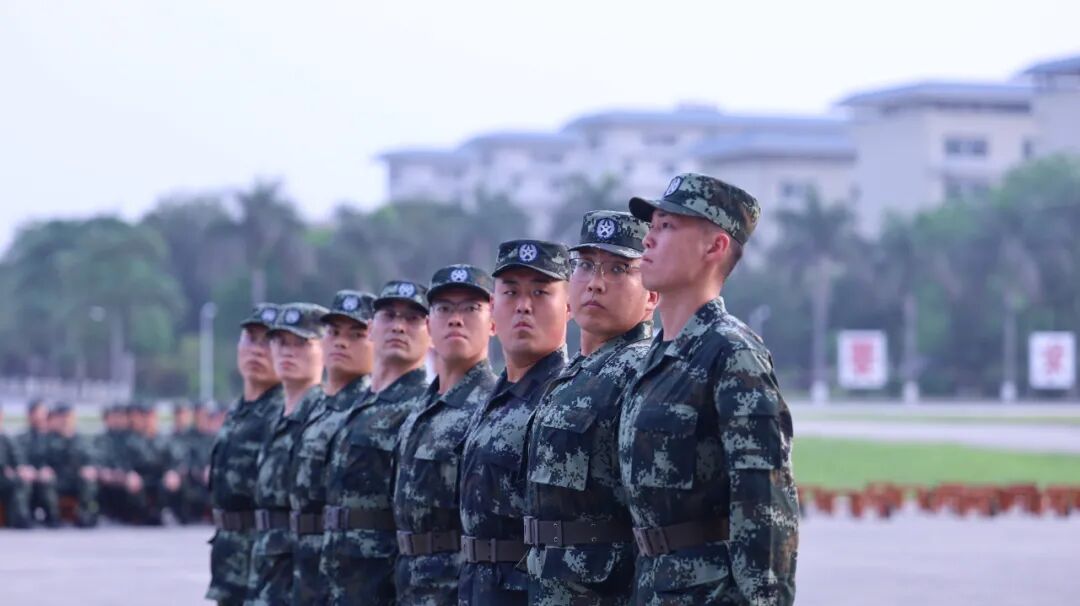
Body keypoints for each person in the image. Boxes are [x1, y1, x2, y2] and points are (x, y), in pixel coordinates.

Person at [620, 173, 799, 604]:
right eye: (651, 227)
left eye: (667, 227)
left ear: (715, 247)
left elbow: (766, 506)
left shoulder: (732, 353)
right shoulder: (654, 358)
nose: (648, 240)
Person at [523, 211, 657, 604]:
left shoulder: (643, 371)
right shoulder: (576, 372)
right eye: (585, 265)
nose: (596, 283)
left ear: (652, 294)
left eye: (618, 269)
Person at [458, 240, 571, 605]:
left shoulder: (568, 398)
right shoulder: (492, 397)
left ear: (568, 305)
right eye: (511, 293)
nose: (524, 305)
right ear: (493, 309)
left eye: (540, 292)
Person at [320, 280, 431, 606]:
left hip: (383, 584)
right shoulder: (358, 405)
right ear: (371, 328)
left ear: (431, 332)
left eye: (412, 318)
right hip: (338, 579)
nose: (399, 326)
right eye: (390, 316)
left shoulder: (422, 409)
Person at [393, 265, 498, 606]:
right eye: (444, 309)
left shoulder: (493, 406)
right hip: (408, 587)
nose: (456, 319)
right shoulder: (420, 408)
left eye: (471, 308)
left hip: (458, 590)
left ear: (493, 322)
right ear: (428, 326)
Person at [287, 290, 377, 605]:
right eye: (334, 332)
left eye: (356, 335)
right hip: (303, 566)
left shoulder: (370, 410)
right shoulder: (315, 407)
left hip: (346, 572)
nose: (340, 342)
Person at [246, 302, 327, 606]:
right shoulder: (274, 416)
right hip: (268, 567)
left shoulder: (324, 416)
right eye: (280, 342)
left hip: (304, 574)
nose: (288, 352)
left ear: (324, 348)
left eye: (301, 343)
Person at [204, 303, 284, 606]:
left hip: (264, 557)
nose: (257, 350)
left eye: (268, 341)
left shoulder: (284, 412)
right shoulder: (238, 410)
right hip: (230, 554)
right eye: (251, 339)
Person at [46, 403, 99, 527]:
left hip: (76, 479)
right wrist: (44, 468)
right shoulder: (47, 439)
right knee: (47, 482)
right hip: (56, 479)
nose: (65, 420)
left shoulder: (82, 440)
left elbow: (92, 458)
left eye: (68, 417)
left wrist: (90, 468)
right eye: (61, 417)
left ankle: (85, 514)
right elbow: (40, 458)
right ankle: (53, 516)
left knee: (89, 481)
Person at [17, 399, 60, 525]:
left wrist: (48, 469)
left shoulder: (54, 437)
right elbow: (19, 457)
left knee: (48, 480)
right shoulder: (22, 437)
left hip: (51, 473)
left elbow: (58, 458)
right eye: (37, 413)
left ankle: (52, 516)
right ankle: (23, 517)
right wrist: (25, 468)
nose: (40, 417)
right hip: (29, 473)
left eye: (43, 413)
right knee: (23, 481)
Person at [0, 405, 32, 528]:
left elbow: (17, 458)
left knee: (20, 481)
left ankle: (18, 517)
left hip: (5, 478)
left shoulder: (6, 438)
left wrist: (19, 469)